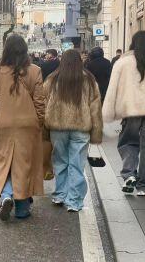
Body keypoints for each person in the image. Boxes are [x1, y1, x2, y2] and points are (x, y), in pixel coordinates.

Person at [0, 34, 46, 220]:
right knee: (24, 165)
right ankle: (22, 209)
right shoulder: (35, 70)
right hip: (27, 124)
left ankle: (6, 194)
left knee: (4, 162)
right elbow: (40, 101)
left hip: (4, 123)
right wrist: (39, 122)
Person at [44, 50, 103, 212]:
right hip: (81, 128)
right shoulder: (89, 80)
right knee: (77, 164)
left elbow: (43, 102)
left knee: (60, 162)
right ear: (80, 61)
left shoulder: (53, 78)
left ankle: (60, 194)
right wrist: (96, 133)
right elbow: (95, 107)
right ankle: (74, 201)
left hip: (57, 127)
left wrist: (44, 128)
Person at [103, 31, 145, 196]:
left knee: (128, 143)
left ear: (132, 43)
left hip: (130, 110)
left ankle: (129, 174)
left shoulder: (122, 62)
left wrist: (107, 114)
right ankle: (144, 186)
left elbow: (112, 89)